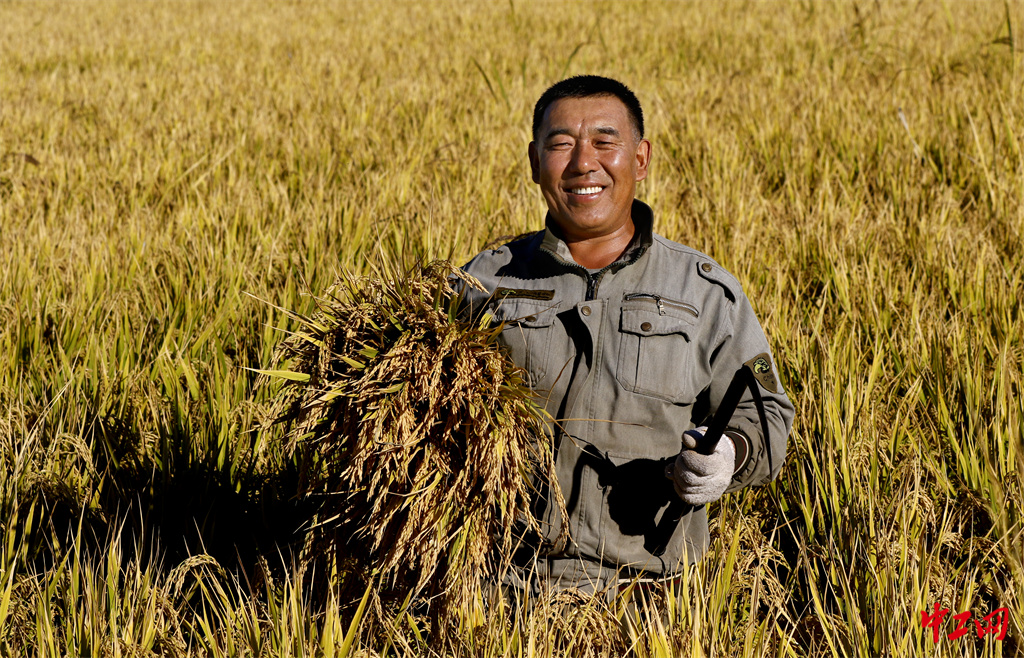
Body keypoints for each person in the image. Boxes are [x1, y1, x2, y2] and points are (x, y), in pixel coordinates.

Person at [458, 75, 794, 597]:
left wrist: (729, 450)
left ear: (640, 159)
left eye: (604, 142)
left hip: (649, 599)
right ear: (533, 162)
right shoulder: (482, 283)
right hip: (497, 589)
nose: (582, 163)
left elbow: (767, 413)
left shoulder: (704, 292)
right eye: (561, 143)